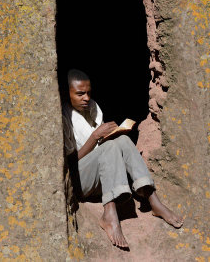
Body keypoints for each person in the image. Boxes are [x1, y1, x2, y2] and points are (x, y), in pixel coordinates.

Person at [62, 69, 183, 248]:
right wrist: (95, 137)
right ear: (67, 93)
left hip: (102, 174)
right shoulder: (63, 117)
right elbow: (69, 164)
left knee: (124, 140)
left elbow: (102, 148)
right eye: (80, 94)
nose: (86, 98)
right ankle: (109, 215)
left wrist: (111, 134)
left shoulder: (93, 107)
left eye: (88, 93)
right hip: (79, 181)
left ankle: (152, 199)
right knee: (110, 146)